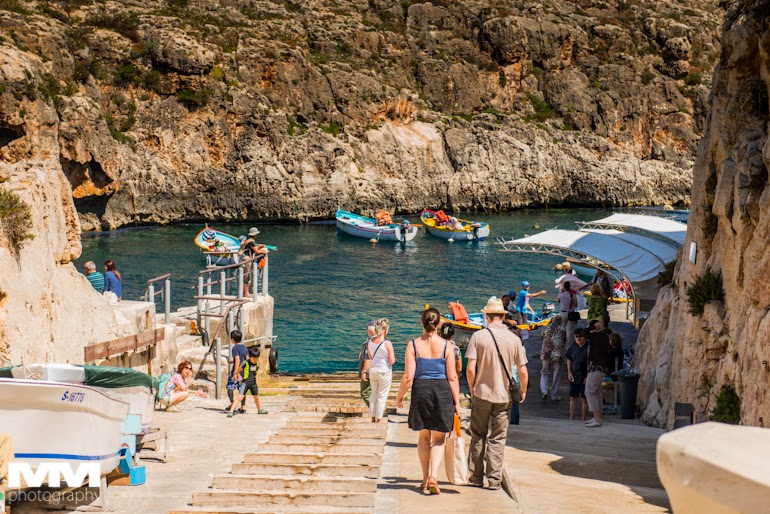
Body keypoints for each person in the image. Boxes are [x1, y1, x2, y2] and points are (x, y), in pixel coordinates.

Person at [395, 308, 460, 495]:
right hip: (442, 392)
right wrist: (456, 402)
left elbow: (408, 376)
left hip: (421, 391)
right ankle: (433, 476)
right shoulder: (447, 346)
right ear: (438, 324)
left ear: (421, 323)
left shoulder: (413, 345)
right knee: (439, 438)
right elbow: (453, 377)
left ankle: (424, 478)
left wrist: (399, 396)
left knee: (423, 437)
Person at [466, 297, 528, 490]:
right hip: (504, 396)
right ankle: (494, 480)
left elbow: (470, 368)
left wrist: (472, 388)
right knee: (498, 437)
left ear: (486, 316)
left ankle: (476, 477)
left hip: (482, 393)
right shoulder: (514, 339)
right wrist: (523, 389)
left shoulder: (478, 337)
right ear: (502, 316)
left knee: (478, 435)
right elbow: (523, 370)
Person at [360, 318, 396, 423]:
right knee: (382, 395)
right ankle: (379, 419)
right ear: (385, 330)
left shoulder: (370, 341)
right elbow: (392, 361)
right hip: (384, 371)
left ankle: (372, 417)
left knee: (373, 395)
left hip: (373, 370)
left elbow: (370, 357)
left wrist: (364, 371)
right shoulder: (387, 343)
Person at [584, 320, 612, 427]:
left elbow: (584, 333)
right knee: (596, 392)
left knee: (589, 392)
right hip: (601, 368)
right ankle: (598, 417)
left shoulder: (595, 336)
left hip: (596, 368)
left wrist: (592, 327)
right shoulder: (604, 336)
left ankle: (597, 419)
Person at [227, 347, 267, 417]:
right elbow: (239, 370)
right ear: (249, 357)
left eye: (257, 358)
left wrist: (257, 382)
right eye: (254, 358)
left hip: (253, 384)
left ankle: (259, 409)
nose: (255, 360)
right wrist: (239, 378)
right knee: (239, 397)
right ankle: (231, 411)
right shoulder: (245, 363)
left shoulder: (257, 364)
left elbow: (256, 373)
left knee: (256, 397)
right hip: (245, 383)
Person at [539, 315, 565, 401]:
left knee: (545, 373)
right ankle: (554, 395)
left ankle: (544, 391)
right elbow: (564, 340)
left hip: (546, 354)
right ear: (560, 321)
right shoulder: (562, 330)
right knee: (556, 376)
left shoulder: (546, 329)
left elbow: (542, 337)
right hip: (558, 355)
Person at [566, 329, 590, 421]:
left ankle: (584, 419)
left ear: (584, 337)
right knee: (573, 398)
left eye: (580, 336)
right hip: (574, 376)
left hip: (584, 377)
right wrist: (569, 372)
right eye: (576, 337)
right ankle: (571, 419)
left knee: (584, 399)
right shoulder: (573, 346)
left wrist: (588, 376)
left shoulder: (589, 347)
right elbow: (569, 359)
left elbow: (592, 363)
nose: (578, 339)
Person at [239, 227, 269, 296]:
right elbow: (257, 251)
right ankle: (246, 293)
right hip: (247, 259)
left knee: (246, 275)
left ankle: (245, 292)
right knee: (247, 275)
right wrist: (265, 251)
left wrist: (260, 246)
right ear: (255, 235)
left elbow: (253, 249)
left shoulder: (249, 240)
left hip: (245, 258)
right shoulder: (251, 242)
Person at [228, 330, 248, 412]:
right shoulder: (244, 347)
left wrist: (235, 373)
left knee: (230, 388)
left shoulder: (235, 348)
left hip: (237, 372)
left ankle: (232, 404)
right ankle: (243, 406)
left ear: (232, 339)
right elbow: (245, 359)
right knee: (242, 390)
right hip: (243, 372)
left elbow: (237, 359)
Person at [358, 320, 376, 407]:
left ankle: (377, 411)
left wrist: (364, 372)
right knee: (376, 393)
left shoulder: (369, 343)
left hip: (370, 372)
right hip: (381, 371)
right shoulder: (385, 342)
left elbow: (367, 358)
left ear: (370, 330)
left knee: (365, 393)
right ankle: (378, 410)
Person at [556, 281, 579, 348]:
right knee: (569, 331)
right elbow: (576, 305)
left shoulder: (561, 295)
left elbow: (558, 301)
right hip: (571, 314)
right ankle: (567, 346)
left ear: (564, 287)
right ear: (570, 287)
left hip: (563, 313)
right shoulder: (573, 295)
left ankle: (561, 344)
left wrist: (561, 292)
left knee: (562, 329)